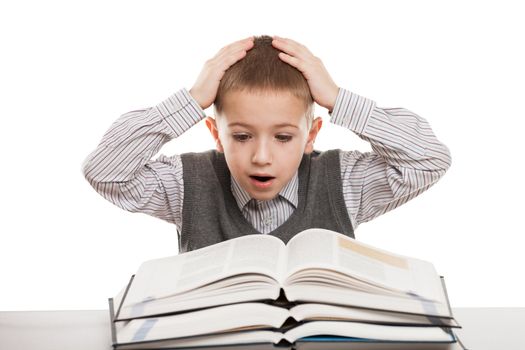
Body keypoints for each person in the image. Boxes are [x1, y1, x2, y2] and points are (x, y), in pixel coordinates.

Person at [81, 35, 451, 253]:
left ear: (311, 135)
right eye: (241, 136)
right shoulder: (186, 184)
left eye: (284, 137)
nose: (261, 157)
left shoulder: (344, 182)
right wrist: (192, 100)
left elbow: (428, 160)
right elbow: (105, 172)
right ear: (216, 135)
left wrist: (338, 98)